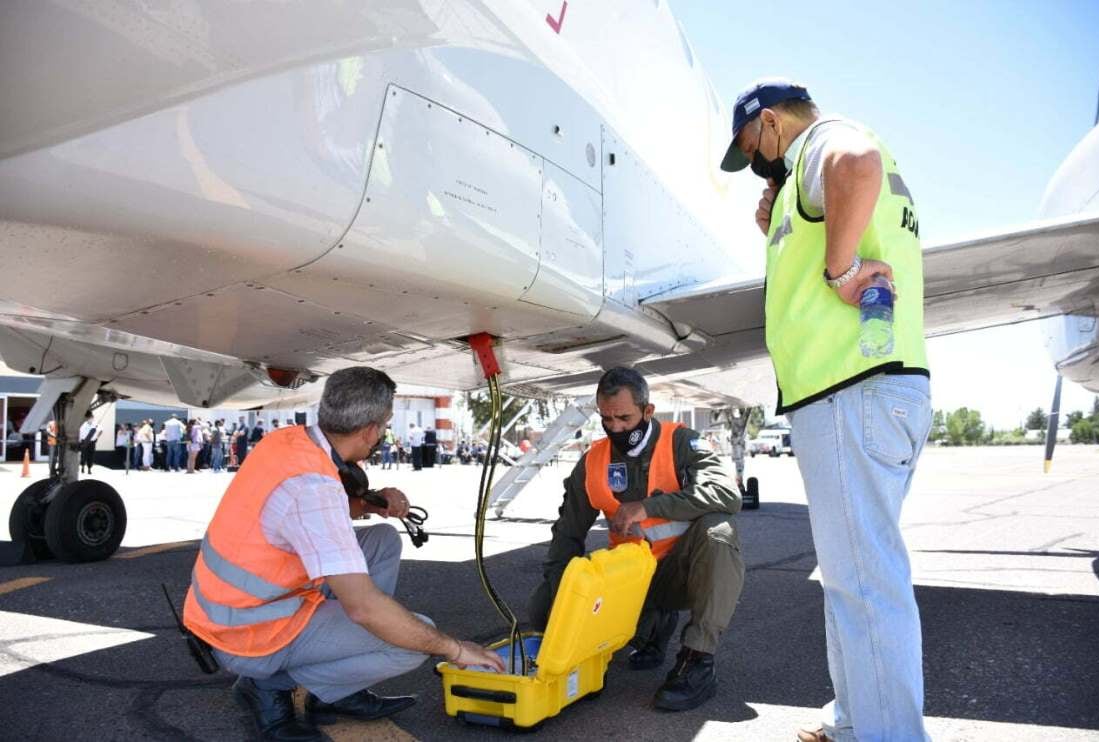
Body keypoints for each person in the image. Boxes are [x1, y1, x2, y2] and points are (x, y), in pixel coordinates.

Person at [720, 78, 931, 741]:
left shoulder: (823, 144)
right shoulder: (806, 174)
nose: (755, 162)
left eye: (753, 146)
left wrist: (840, 273)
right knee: (853, 580)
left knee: (864, 586)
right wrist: (780, 222)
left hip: (850, 389)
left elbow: (854, 165)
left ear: (773, 124)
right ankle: (852, 721)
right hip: (876, 389)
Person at [184, 366, 503, 742]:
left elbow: (305, 513)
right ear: (370, 430)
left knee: (383, 540)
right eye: (383, 425)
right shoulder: (314, 489)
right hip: (250, 633)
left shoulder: (286, 442)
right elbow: (363, 607)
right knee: (412, 644)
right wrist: (454, 649)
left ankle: (337, 690)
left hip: (224, 608)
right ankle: (266, 685)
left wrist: (371, 504)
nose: (382, 434)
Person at [527, 367, 744, 712]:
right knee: (542, 614)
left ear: (647, 411)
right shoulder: (593, 461)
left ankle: (697, 660)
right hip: (633, 581)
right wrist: (563, 597)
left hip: (681, 575)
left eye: (625, 418)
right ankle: (654, 627)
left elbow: (725, 494)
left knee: (719, 530)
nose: (616, 427)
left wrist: (647, 507)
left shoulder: (681, 443)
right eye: (607, 418)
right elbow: (567, 534)